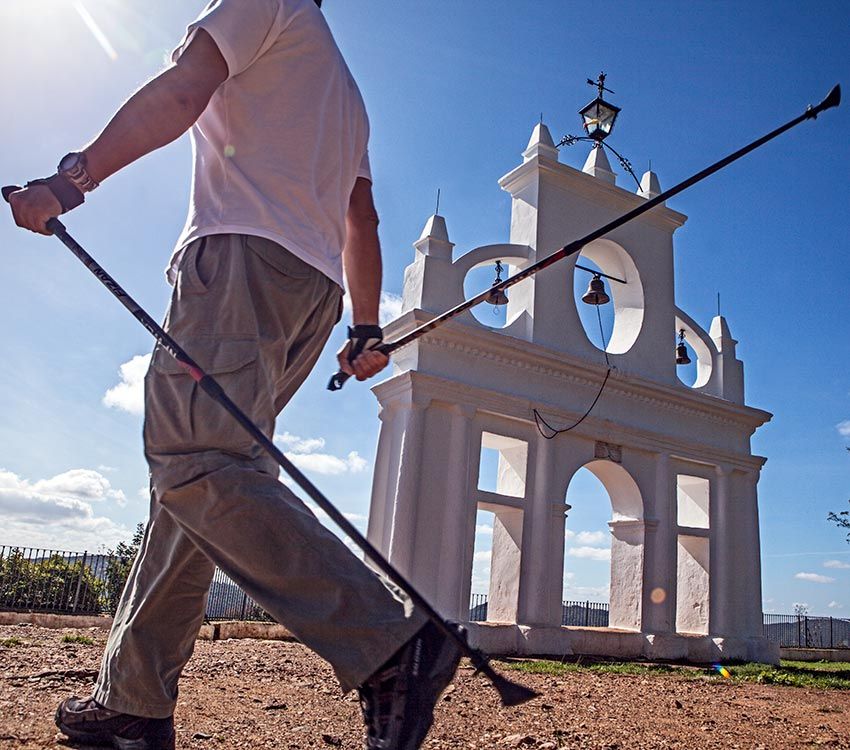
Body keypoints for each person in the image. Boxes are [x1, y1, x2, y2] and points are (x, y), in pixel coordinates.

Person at [6, 1, 461, 748]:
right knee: (200, 490)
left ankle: (389, 641)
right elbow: (363, 219)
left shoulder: (261, 5)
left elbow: (184, 93)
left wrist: (71, 181)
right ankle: (133, 700)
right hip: (312, 294)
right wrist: (365, 328)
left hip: (243, 261)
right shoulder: (342, 86)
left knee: (195, 462)